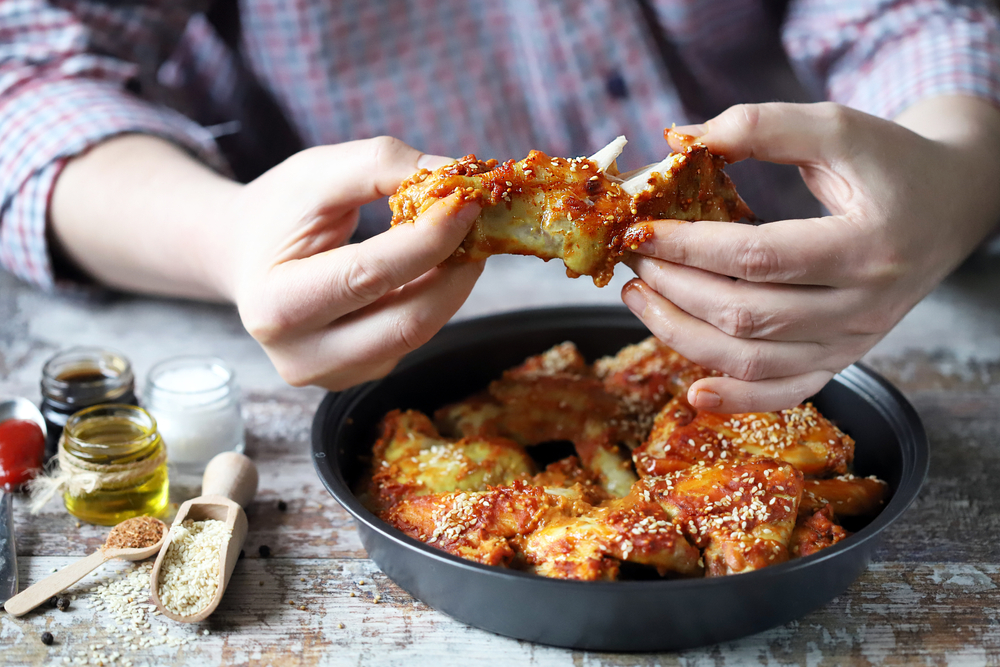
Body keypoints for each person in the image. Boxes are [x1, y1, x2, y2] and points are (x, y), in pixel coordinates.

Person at [2, 1, 999, 413]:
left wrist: (956, 176)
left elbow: (922, 16)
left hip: (832, 283)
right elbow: (26, 63)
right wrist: (220, 237)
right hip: (354, 312)